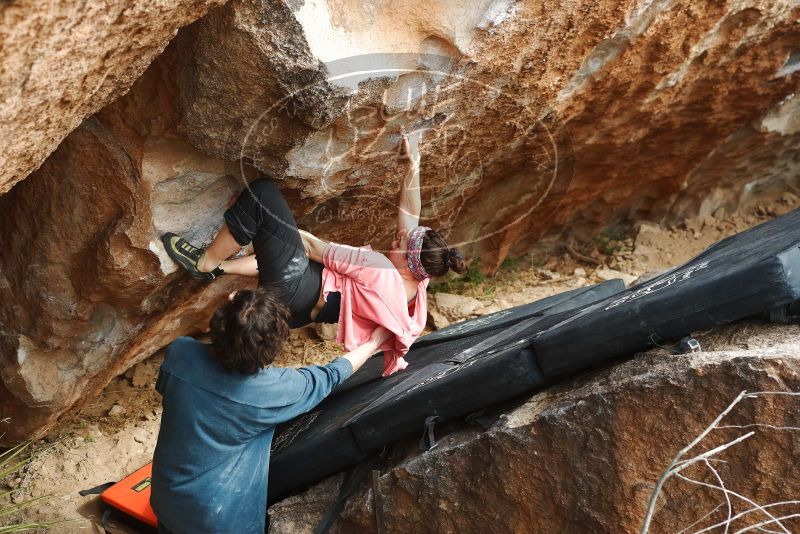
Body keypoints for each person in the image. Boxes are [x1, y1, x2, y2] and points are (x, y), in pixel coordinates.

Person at [162, 132, 467, 376]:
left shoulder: (378, 269)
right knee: (285, 254)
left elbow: (308, 246)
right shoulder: (416, 287)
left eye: (401, 244)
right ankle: (222, 269)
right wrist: (413, 160)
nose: (398, 237)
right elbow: (411, 214)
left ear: (409, 265)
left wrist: (277, 231)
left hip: (295, 288)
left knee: (263, 197)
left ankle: (206, 263)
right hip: (300, 309)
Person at [150, 287, 391, 534]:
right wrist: (374, 342)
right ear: (274, 345)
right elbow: (330, 375)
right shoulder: (274, 390)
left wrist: (235, 313)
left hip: (166, 500)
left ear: (218, 322)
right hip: (220, 519)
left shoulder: (179, 354)